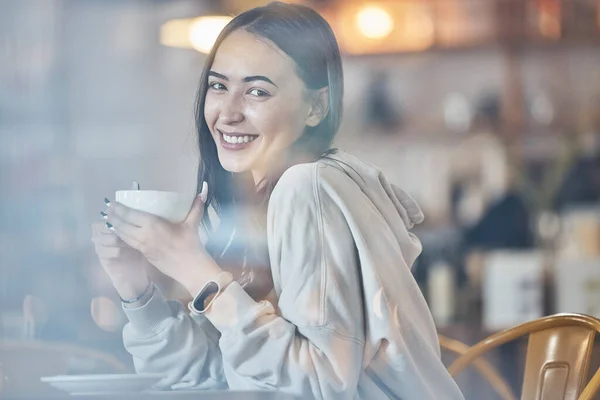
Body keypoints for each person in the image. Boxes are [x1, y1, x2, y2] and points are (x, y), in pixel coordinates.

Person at [91, 2, 464, 399]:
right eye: (219, 86)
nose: (227, 113)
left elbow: (317, 386)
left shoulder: (309, 187)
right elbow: (223, 376)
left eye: (257, 91)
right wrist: (135, 287)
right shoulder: (283, 197)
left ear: (316, 107)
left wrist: (195, 270)